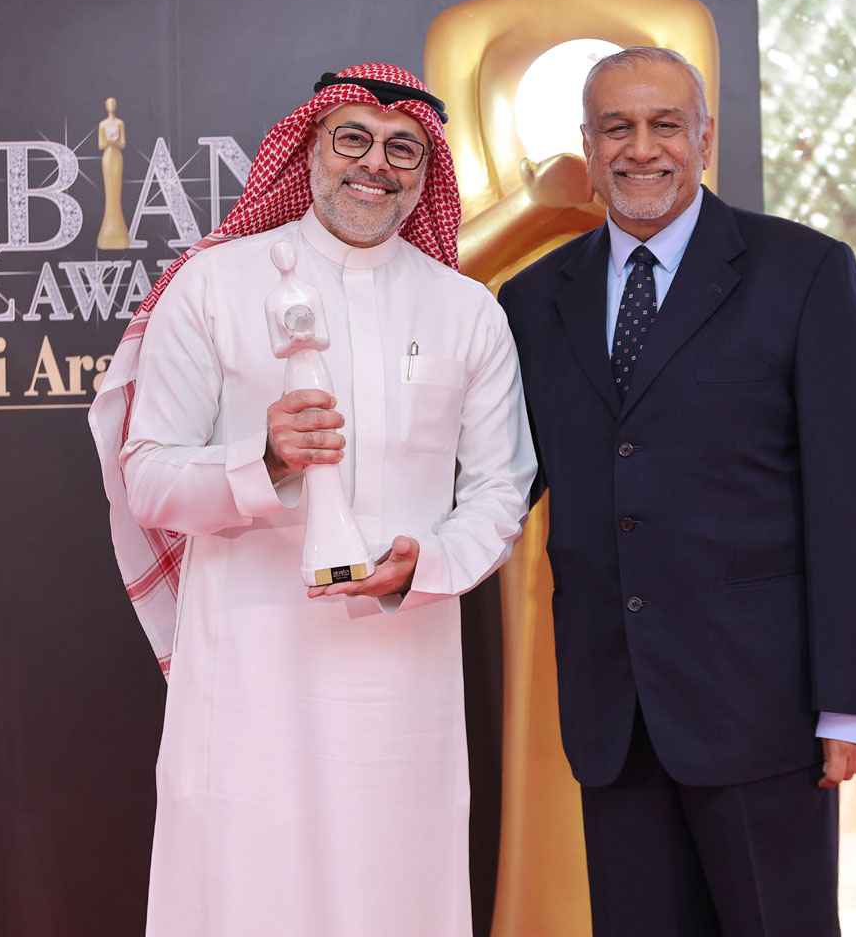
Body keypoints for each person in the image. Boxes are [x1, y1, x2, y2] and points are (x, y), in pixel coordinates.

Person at [87, 63, 535, 937]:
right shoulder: (214, 285)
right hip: (250, 673)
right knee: (246, 895)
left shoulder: (466, 310)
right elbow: (148, 476)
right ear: (308, 150)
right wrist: (261, 459)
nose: (375, 164)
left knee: (394, 894)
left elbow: (499, 488)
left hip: (401, 679)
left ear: (428, 174)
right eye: (353, 139)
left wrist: (428, 563)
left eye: (402, 149)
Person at [497, 46, 856, 936]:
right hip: (613, 717)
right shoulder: (532, 299)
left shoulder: (805, 272)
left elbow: (852, 501)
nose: (641, 149)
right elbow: (500, 479)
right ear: (588, 148)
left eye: (665, 125)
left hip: (765, 712)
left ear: (705, 139)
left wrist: (854, 700)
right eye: (617, 128)